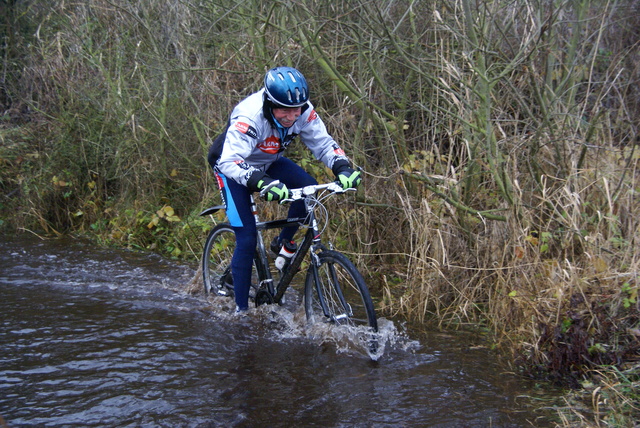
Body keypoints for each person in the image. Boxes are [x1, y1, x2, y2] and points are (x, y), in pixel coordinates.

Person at [207, 66, 362, 312]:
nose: (291, 117)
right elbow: (229, 161)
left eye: (296, 110)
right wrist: (261, 182)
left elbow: (322, 143)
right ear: (269, 103)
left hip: (268, 160)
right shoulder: (249, 116)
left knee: (308, 187)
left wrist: (342, 167)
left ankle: (282, 243)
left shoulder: (304, 111)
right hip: (230, 167)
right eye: (284, 110)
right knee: (246, 239)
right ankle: (241, 314)